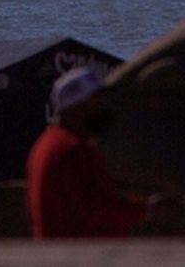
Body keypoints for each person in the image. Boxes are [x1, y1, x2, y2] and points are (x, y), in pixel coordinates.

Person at [26, 67, 167, 239]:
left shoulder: (45, 143)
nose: (104, 107)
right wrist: (149, 210)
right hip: (81, 256)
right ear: (77, 107)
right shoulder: (71, 148)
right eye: (97, 101)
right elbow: (94, 209)